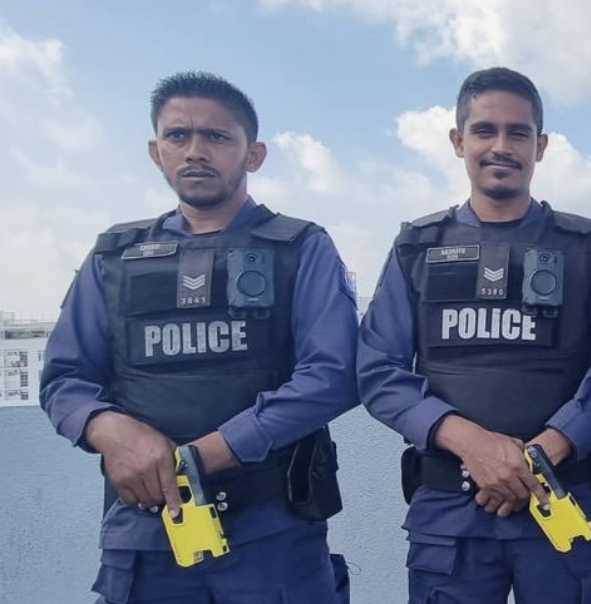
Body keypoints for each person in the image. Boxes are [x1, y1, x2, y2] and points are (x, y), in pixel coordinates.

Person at [39, 71, 357, 604]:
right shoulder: (114, 256)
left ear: (253, 155)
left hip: (272, 529)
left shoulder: (300, 247)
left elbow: (334, 375)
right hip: (145, 534)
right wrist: (110, 429)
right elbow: (65, 378)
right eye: (177, 136)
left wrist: (212, 452)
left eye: (216, 136)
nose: (195, 151)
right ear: (155, 151)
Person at [356, 66, 591, 603]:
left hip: (558, 496)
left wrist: (546, 450)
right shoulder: (417, 246)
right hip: (450, 510)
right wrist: (472, 444)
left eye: (518, 132)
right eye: (484, 131)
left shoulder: (584, 244)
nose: (501, 146)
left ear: (540, 146)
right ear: (458, 141)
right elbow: (378, 371)